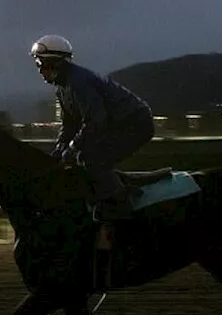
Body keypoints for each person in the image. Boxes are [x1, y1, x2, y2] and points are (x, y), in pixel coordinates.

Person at [31, 35, 154, 283]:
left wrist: (73, 148)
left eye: (40, 64)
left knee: (92, 162)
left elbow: (96, 121)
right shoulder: (63, 87)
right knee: (80, 161)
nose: (39, 70)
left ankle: (122, 216)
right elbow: (69, 124)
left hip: (134, 124)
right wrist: (59, 151)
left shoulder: (78, 83)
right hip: (116, 125)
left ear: (54, 63)